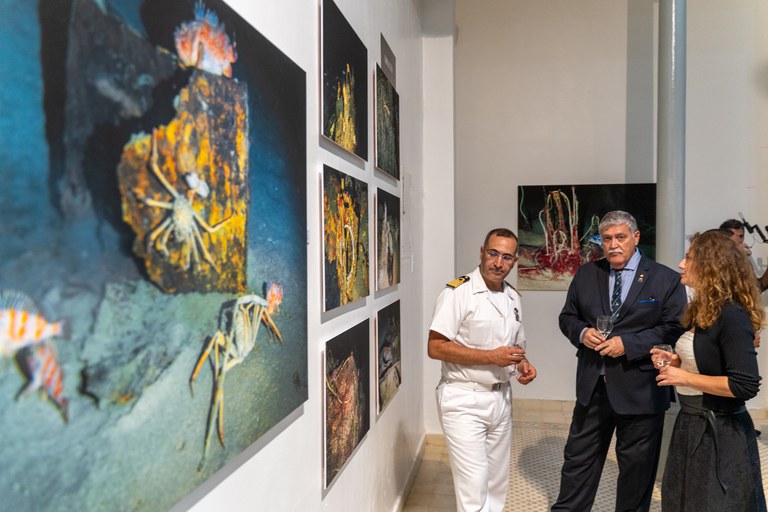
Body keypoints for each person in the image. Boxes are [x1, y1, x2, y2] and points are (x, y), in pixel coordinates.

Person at [551, 210, 687, 512]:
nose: (613, 245)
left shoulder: (665, 279)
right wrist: (583, 332)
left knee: (637, 471)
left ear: (635, 237)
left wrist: (628, 344)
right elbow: (567, 317)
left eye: (620, 237)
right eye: (607, 238)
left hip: (641, 389)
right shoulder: (587, 274)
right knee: (577, 462)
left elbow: (675, 328)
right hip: (592, 386)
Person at [652, 230, 766, 510]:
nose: (681, 264)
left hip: (722, 432)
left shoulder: (732, 314)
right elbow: (709, 360)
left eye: (689, 258)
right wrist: (677, 362)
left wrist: (685, 377)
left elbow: (744, 385)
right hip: (691, 424)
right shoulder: (705, 308)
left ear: (710, 265)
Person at [428, 228, 537, 512]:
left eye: (506, 257)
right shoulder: (457, 292)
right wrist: (490, 357)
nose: (498, 263)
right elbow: (435, 347)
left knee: (496, 484)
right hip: (463, 398)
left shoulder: (512, 297)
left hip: (501, 398)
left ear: (515, 261)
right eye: (493, 253)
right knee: (473, 488)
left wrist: (522, 364)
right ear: (481, 252)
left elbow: (514, 347)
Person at [720, 218, 768, 292]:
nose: (739, 240)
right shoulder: (715, 257)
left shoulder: (743, 257)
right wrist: (734, 254)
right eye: (733, 236)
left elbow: (756, 288)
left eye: (741, 236)